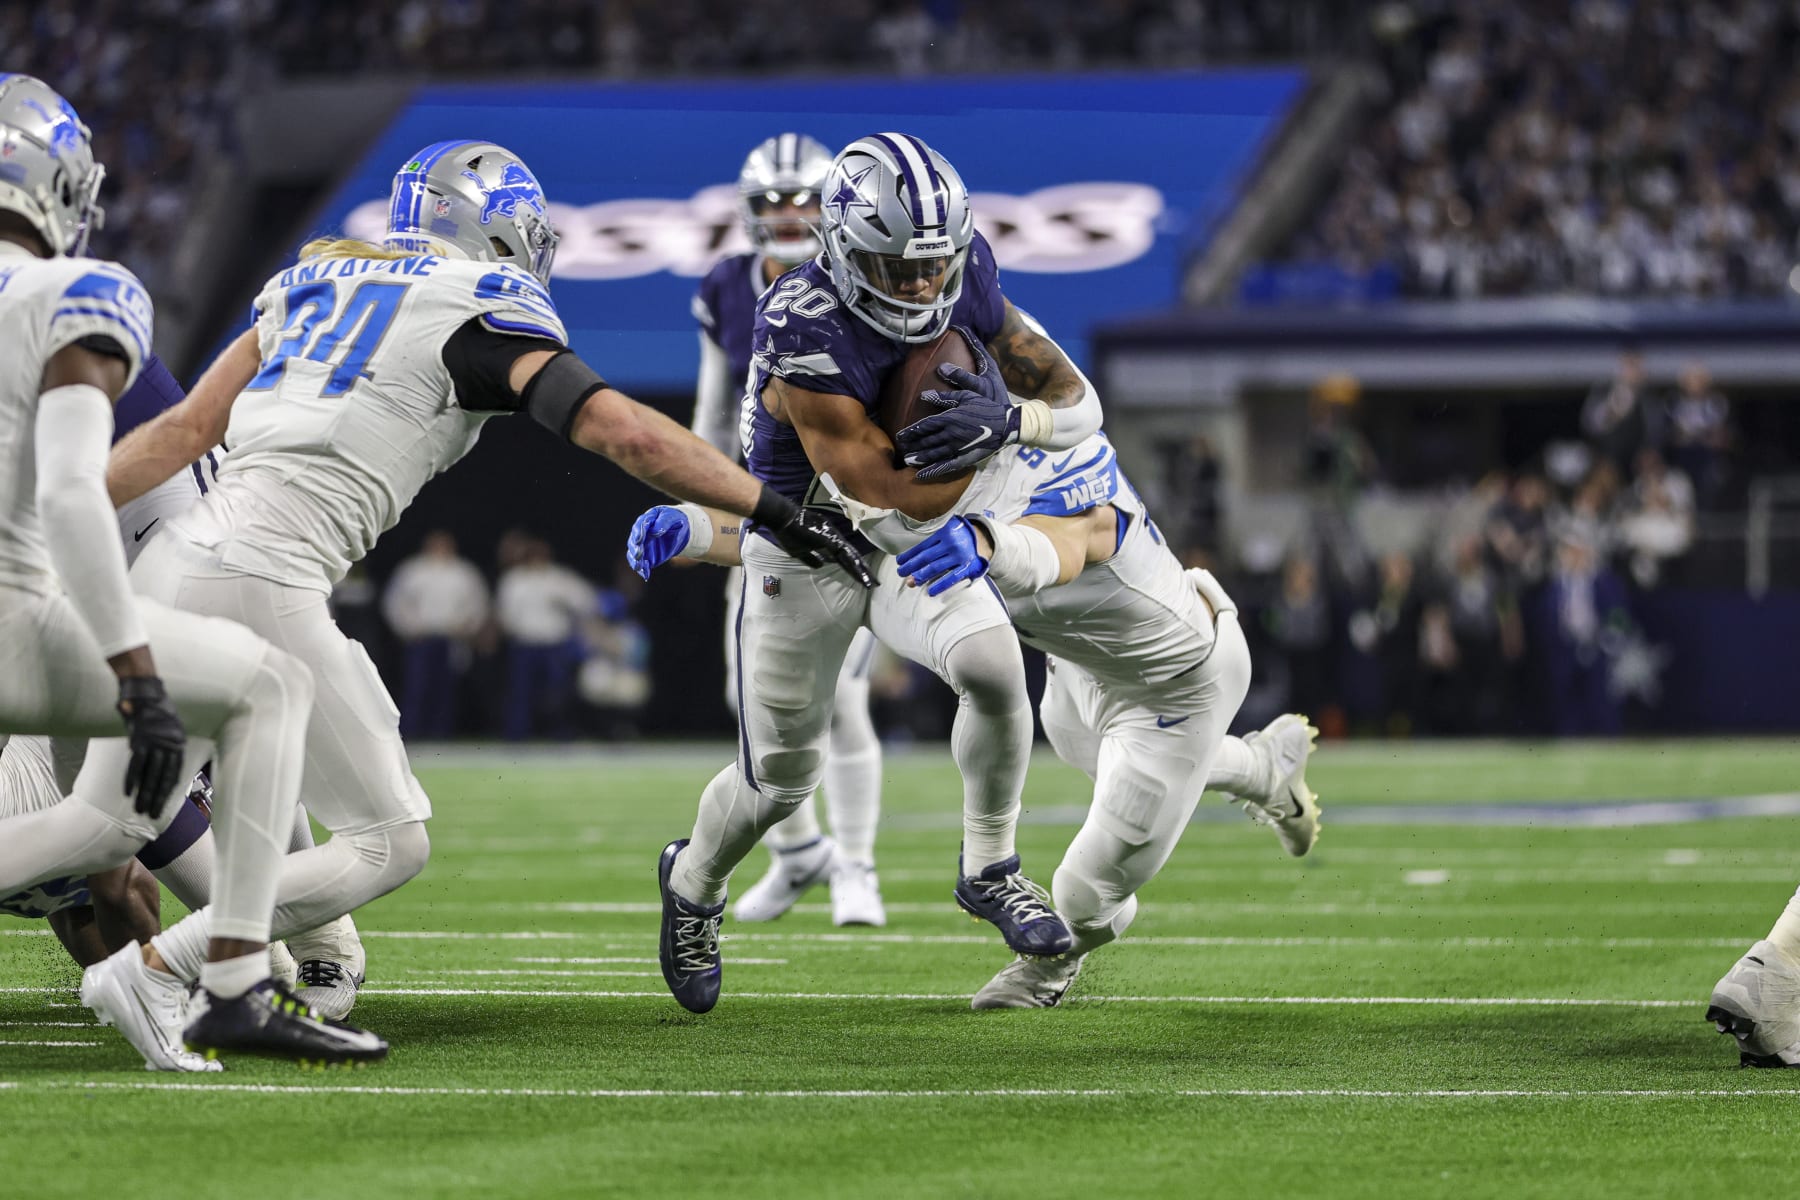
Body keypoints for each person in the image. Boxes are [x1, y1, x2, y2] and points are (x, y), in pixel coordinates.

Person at [100, 136, 871, 1062]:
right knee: (391, 839)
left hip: (171, 565)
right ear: (495, 225)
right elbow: (621, 430)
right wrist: (774, 507)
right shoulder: (475, 303)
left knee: (108, 818)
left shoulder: (315, 280)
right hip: (262, 579)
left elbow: (181, 431)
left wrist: (49, 521)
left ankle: (304, 969)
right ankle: (164, 967)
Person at [644, 132, 1108, 1015]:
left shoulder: (965, 273)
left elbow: (1077, 404)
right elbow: (888, 495)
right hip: (808, 543)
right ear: (848, 248)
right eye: (901, 267)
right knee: (778, 781)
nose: (925, 285)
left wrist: (1011, 421)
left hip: (906, 533)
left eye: (937, 264)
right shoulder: (800, 320)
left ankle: (991, 868)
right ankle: (694, 883)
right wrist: (988, 443)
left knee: (993, 667)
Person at [633, 431, 1320, 1008]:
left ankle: (1055, 965)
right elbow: (830, 541)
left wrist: (991, 546)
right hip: (1076, 673)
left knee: (1084, 895)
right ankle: (1262, 769)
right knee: (1077, 740)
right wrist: (699, 527)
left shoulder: (1058, 459)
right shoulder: (935, 467)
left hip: (1174, 690)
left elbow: (1081, 534)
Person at [0, 74, 366, 1067]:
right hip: (36, 620)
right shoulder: (82, 297)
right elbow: (107, 510)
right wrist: (133, 673)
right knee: (236, 705)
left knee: (104, 869)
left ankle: (248, 949)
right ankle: (257, 960)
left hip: (57, 616)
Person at [689, 133, 885, 927]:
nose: (792, 213)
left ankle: (858, 868)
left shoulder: (859, 281)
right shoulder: (726, 287)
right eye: (775, 201)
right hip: (766, 517)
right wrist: (702, 503)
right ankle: (801, 853)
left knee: (841, 700)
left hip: (850, 516)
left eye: (805, 197)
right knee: (752, 698)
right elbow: (710, 416)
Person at [382, 529, 489, 738]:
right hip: (421, 638)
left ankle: (441, 732)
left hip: (451, 638)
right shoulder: (412, 570)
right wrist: (408, 628)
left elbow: (477, 603)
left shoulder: (463, 572)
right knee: (417, 685)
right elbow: (395, 603)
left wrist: (468, 627)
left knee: (446, 689)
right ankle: (411, 732)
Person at [495, 537, 593, 739]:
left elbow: (586, 601)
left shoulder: (559, 578)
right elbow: (504, 612)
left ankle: (559, 733)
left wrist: (565, 602)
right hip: (525, 643)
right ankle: (517, 735)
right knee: (521, 693)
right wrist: (512, 629)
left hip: (553, 645)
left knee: (557, 692)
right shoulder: (514, 580)